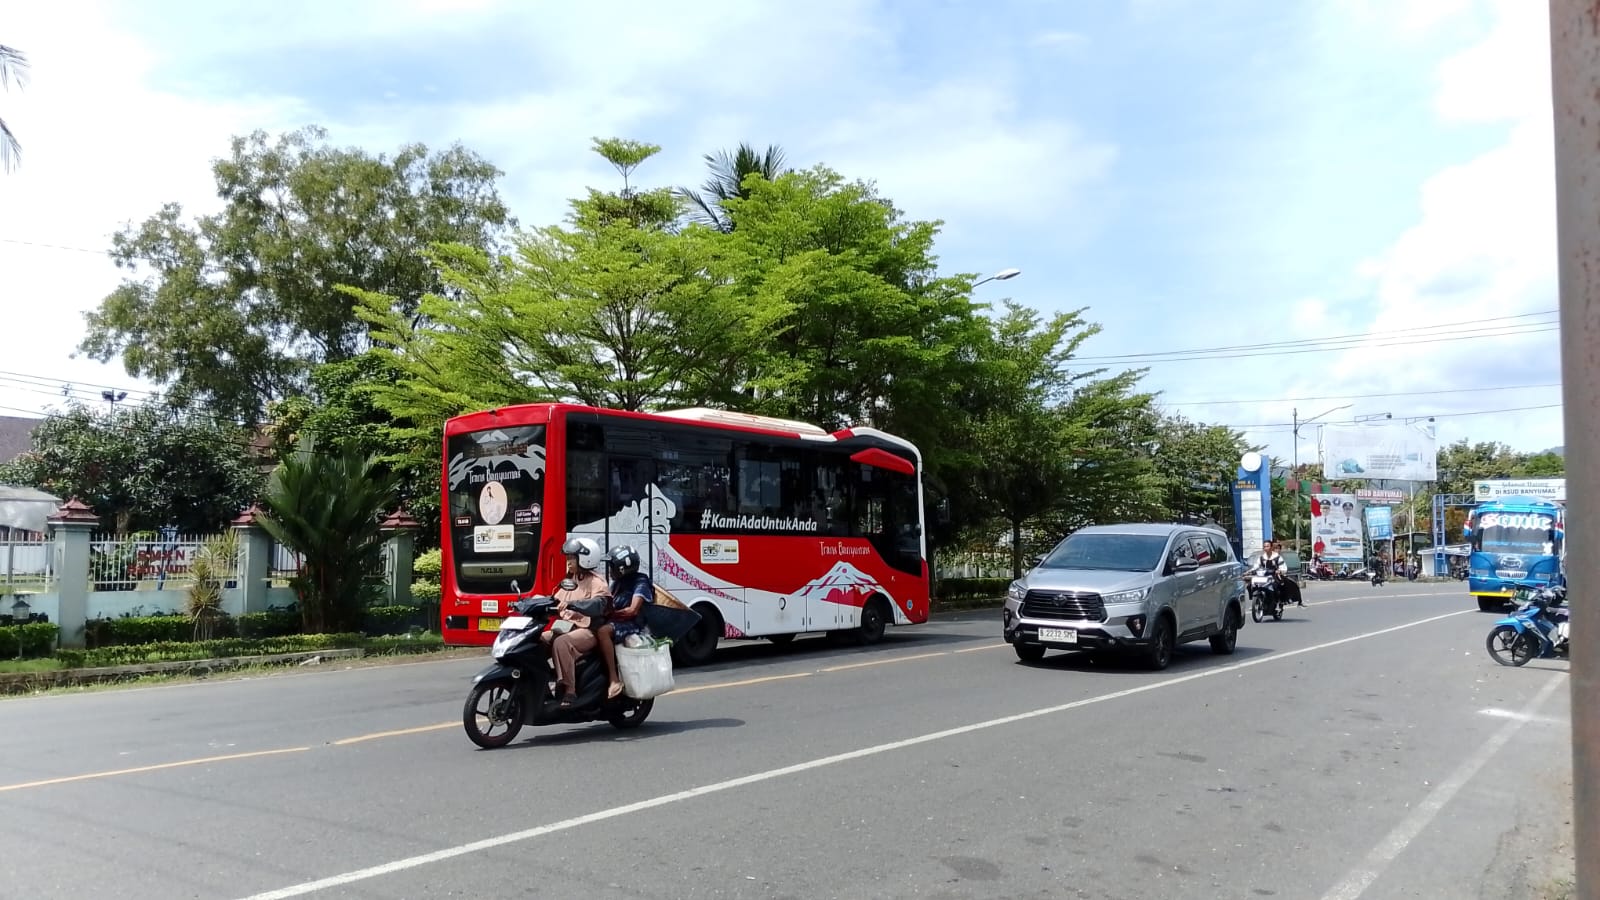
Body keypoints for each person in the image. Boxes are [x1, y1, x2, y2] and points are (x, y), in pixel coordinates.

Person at [543, 537, 620, 707]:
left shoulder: (596, 581)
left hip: (588, 629)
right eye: (568, 557)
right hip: (566, 626)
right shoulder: (571, 580)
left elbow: (598, 605)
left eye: (572, 558)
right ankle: (544, 683)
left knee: (561, 643)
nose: (568, 562)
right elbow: (555, 599)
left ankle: (570, 691)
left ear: (585, 558)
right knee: (539, 640)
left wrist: (574, 605)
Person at [593, 545, 655, 697]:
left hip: (633, 624)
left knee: (603, 631)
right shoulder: (618, 583)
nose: (609, 569)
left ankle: (614, 679)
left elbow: (633, 610)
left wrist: (612, 615)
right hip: (618, 620)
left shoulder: (641, 582)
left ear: (622, 568)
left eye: (612, 566)